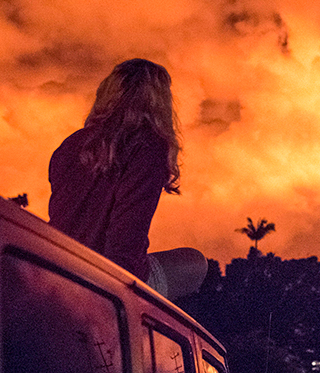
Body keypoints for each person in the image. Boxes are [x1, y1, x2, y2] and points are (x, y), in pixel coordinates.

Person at [48, 58, 206, 298]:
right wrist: (120, 290)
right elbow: (126, 238)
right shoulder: (148, 146)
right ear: (160, 103)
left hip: (58, 265)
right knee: (194, 263)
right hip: (110, 277)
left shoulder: (70, 145)